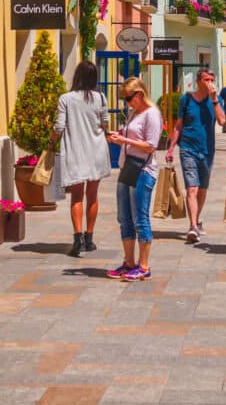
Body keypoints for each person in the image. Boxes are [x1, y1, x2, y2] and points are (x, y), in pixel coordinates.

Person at [50, 61, 110, 257]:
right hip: (97, 151)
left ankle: (77, 238)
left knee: (76, 196)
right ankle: (89, 238)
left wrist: (50, 142)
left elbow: (59, 128)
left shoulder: (65, 99)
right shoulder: (100, 98)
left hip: (75, 152)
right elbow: (105, 124)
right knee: (92, 196)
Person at [106, 77, 163, 281]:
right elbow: (132, 134)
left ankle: (144, 265)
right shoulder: (134, 113)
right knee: (124, 217)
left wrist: (124, 140)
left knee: (141, 218)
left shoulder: (152, 114)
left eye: (129, 98)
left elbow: (151, 145)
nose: (127, 102)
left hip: (142, 170)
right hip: (127, 168)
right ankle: (129, 262)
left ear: (139, 94)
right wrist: (118, 134)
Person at [165, 69, 226, 244]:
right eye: (207, 79)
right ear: (198, 81)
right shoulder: (187, 99)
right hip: (187, 148)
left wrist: (214, 100)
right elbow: (178, 126)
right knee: (192, 188)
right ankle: (192, 226)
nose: (210, 83)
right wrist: (170, 149)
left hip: (207, 150)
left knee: (202, 189)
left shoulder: (216, 100)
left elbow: (222, 121)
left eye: (212, 80)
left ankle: (196, 220)